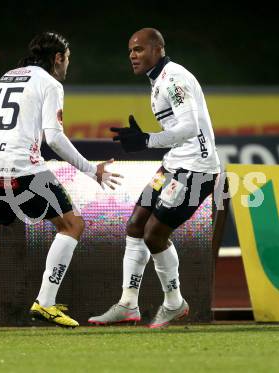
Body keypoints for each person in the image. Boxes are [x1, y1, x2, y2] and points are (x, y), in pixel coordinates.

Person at [0, 31, 121, 330]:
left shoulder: (7, 76)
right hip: (20, 164)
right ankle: (46, 302)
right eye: (66, 60)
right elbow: (54, 137)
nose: (66, 66)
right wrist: (92, 170)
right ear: (57, 58)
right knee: (72, 224)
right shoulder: (50, 83)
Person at [88, 28, 220, 328]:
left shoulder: (173, 79)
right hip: (172, 166)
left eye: (139, 49)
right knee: (135, 224)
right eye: (130, 51)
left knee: (154, 234)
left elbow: (189, 127)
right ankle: (127, 304)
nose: (133, 56)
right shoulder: (159, 79)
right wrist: (151, 142)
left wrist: (147, 140)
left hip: (196, 171)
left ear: (158, 49)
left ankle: (174, 303)